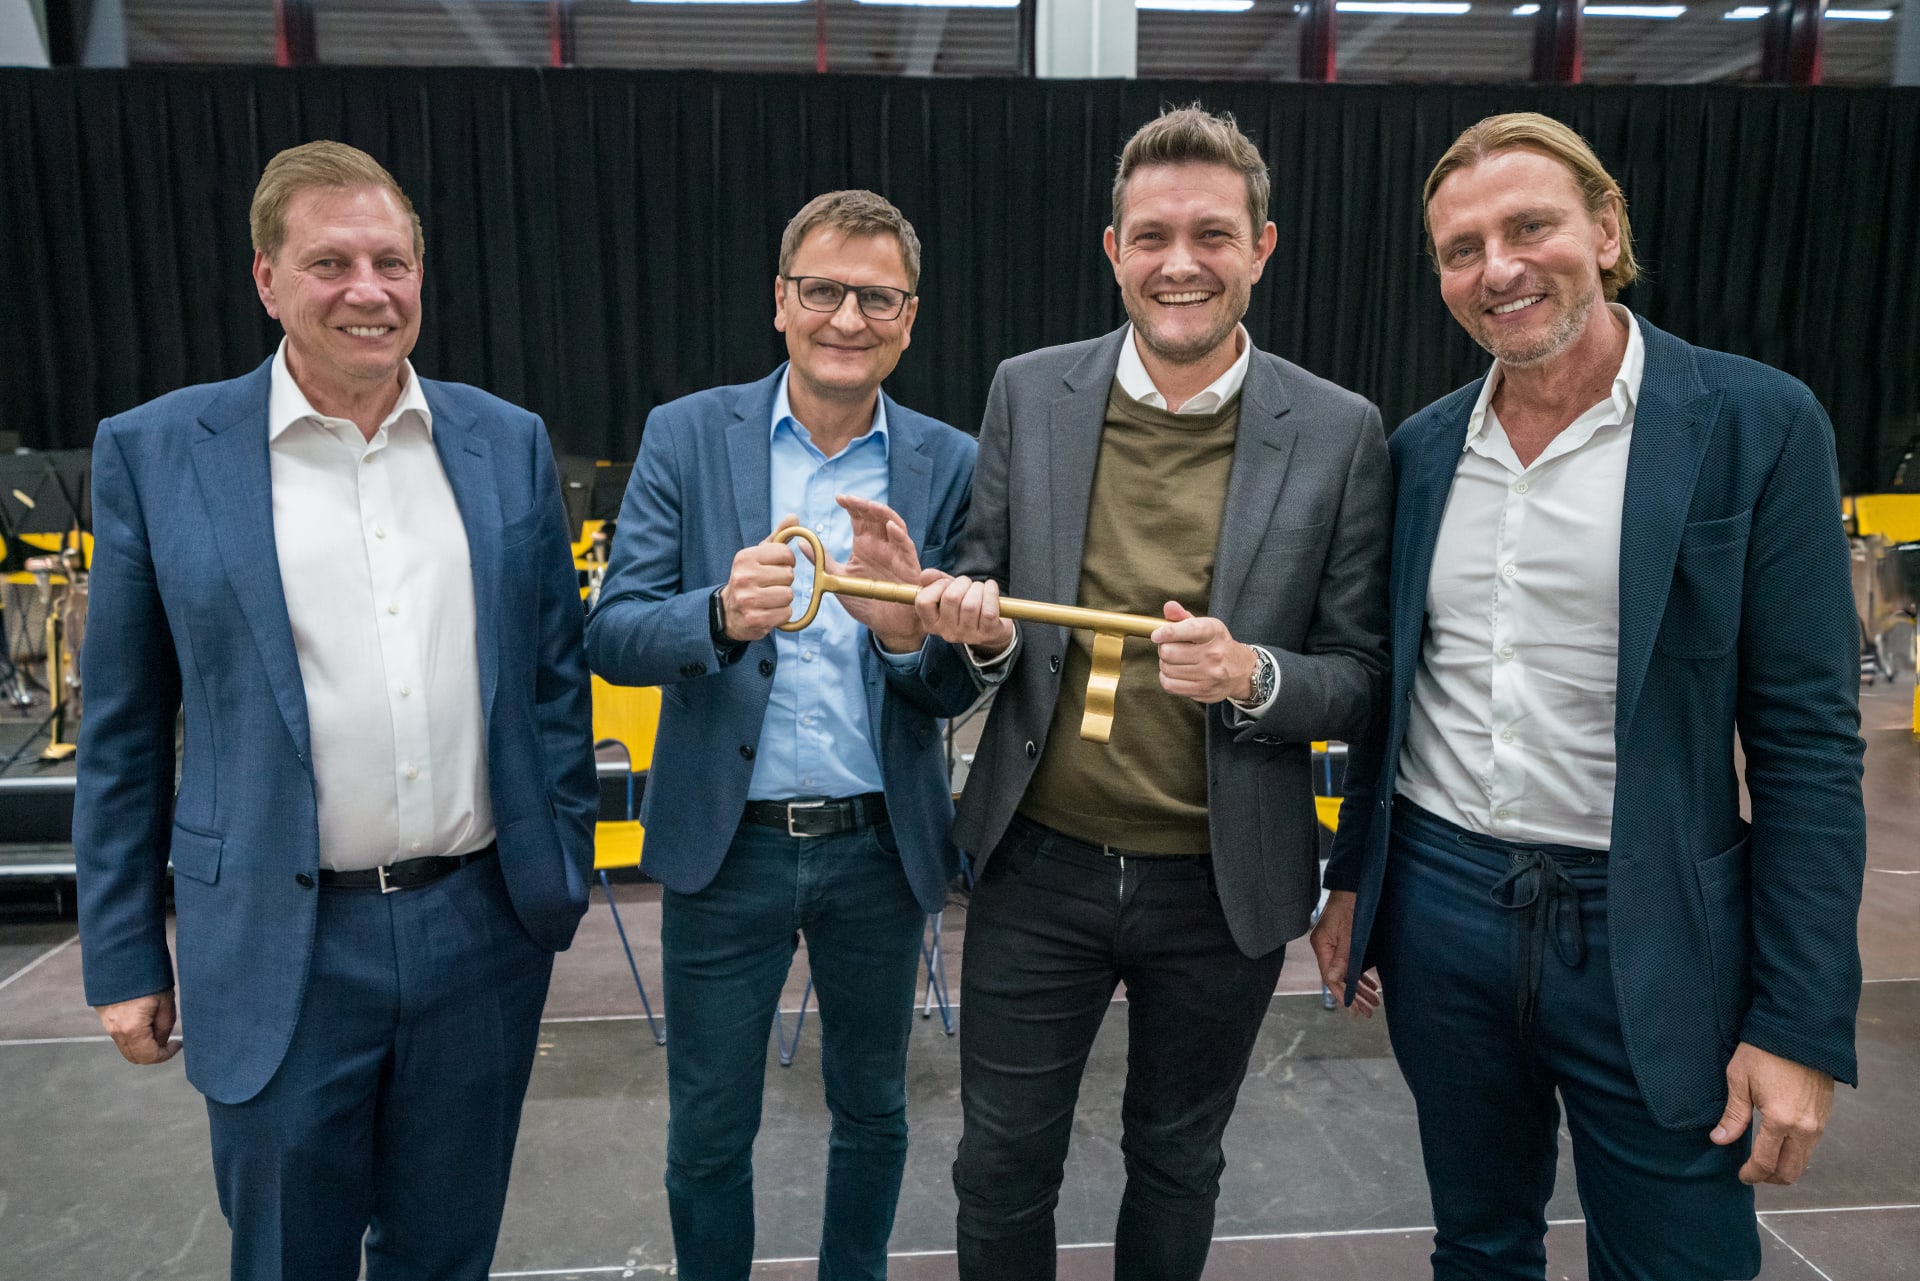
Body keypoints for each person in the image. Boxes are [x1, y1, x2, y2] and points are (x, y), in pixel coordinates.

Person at [1311, 112, 1866, 1281]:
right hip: (1443, 909)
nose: (1497, 267)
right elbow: (1393, 695)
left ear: (1606, 230)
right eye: (1461, 249)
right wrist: (1355, 876)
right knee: (1477, 1243)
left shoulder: (1757, 427)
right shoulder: (1417, 453)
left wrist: (1798, 1022)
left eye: (1530, 227)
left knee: (1679, 1260)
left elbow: (1811, 745)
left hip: (1652, 920)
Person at [73, 141, 595, 1279]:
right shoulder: (161, 453)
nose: (369, 289)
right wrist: (119, 953)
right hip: (279, 942)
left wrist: (557, 868)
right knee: (287, 1258)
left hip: (480, 932)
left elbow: (554, 677)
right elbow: (119, 732)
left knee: (446, 1256)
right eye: (331, 263)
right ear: (268, 281)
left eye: (392, 261)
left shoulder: (503, 444)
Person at [904, 107, 1390, 1281]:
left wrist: (1255, 677)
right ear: (1112, 248)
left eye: (1213, 234)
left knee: (1179, 1157)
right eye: (1154, 234)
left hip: (1220, 884)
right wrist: (962, 635)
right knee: (1001, 1165)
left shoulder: (1337, 431)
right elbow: (986, 614)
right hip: (1039, 866)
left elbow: (1362, 678)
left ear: (1262, 249)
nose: (1182, 262)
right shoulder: (1031, 393)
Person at [583, 189, 977, 1281]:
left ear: (909, 316)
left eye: (876, 297)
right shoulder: (685, 434)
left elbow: (958, 682)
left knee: (875, 1111)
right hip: (727, 846)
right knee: (709, 1131)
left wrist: (909, 637)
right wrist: (715, 614)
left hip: (877, 847)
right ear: (779, 302)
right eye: (823, 291)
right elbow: (612, 633)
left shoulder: (950, 461)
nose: (847, 318)